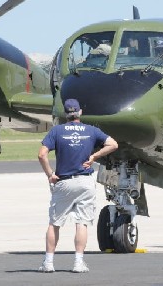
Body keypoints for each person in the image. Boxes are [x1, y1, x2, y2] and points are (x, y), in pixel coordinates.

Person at [37, 98, 118, 273]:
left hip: (64, 182)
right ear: (80, 112)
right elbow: (113, 144)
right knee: (82, 222)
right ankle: (78, 263)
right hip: (85, 182)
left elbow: (42, 155)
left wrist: (50, 174)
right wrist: (94, 156)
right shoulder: (91, 130)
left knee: (55, 223)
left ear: (66, 114)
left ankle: (49, 263)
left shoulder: (57, 131)